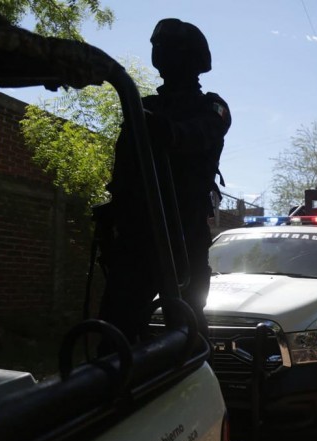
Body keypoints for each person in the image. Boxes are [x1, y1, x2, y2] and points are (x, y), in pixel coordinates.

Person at [96, 18, 231, 351]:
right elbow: (125, 167)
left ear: (193, 58)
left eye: (170, 48)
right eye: (159, 48)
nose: (161, 55)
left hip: (183, 235)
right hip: (137, 235)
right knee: (115, 330)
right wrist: (113, 214)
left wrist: (165, 131)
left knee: (188, 327)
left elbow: (197, 135)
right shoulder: (143, 106)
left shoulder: (211, 106)